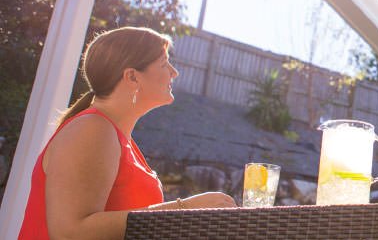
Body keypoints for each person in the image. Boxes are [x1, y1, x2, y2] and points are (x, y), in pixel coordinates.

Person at [19, 27, 236, 240]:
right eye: (164, 63)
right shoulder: (92, 129)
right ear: (132, 77)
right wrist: (185, 209)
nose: (174, 72)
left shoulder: (118, 138)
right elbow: (71, 233)